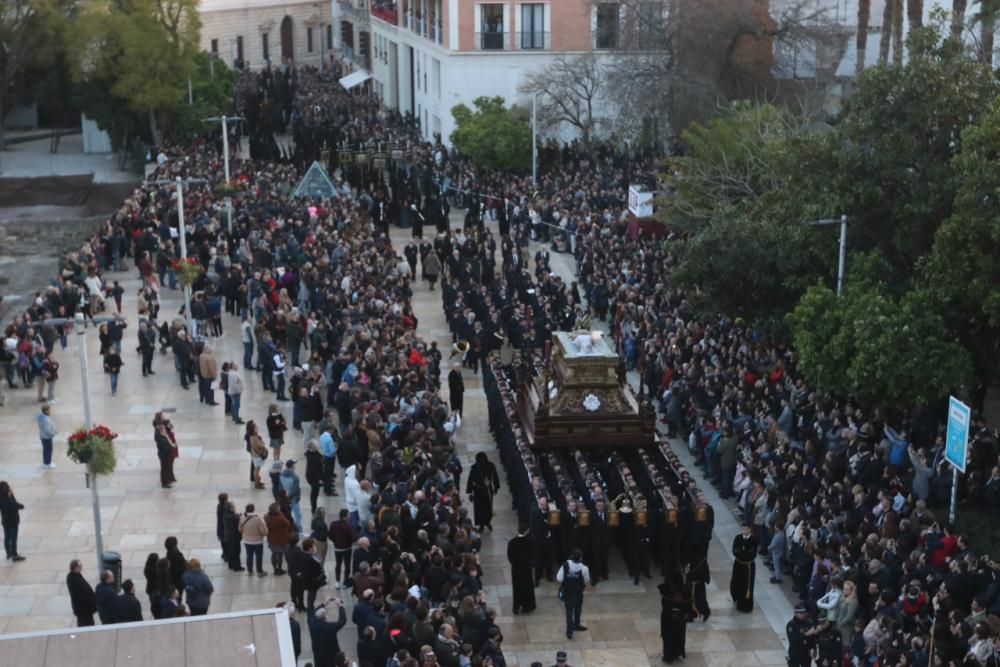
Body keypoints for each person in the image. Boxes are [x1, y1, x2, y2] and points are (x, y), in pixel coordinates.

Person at [556, 548, 591, 639]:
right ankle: (577, 624)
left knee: (569, 612)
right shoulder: (584, 569)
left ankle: (569, 631)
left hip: (568, 593)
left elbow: (559, 578)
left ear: (571, 557)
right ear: (581, 558)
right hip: (578, 593)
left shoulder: (565, 566)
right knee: (578, 609)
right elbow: (587, 580)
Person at [658, 572, 689, 664]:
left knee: (668, 637)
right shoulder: (685, 591)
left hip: (668, 618)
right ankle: (677, 653)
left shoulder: (666, 590)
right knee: (678, 636)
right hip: (680, 618)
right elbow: (688, 606)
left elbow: (664, 604)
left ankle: (668, 656)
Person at [309, 597, 347, 667]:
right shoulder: (330, 627)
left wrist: (324, 604)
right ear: (325, 617)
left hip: (318, 653)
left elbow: (313, 612)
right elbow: (342, 621)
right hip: (330, 654)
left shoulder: (312, 623)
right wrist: (340, 606)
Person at [506, 523, 536, 614]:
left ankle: (516, 606)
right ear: (526, 531)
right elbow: (533, 556)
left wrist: (515, 564)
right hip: (526, 569)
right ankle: (526, 606)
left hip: (516, 569)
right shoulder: (529, 542)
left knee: (516, 588)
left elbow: (510, 556)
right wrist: (531, 564)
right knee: (527, 588)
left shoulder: (512, 542)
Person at [466, 452, 499, 532]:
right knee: (482, 508)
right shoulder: (476, 467)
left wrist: (496, 486)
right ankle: (483, 523)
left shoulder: (490, 466)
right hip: (480, 491)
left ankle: (486, 522)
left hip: (485, 490)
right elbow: (471, 480)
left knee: (486, 507)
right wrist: (496, 487)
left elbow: (495, 477)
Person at [731, 522, 758, 613]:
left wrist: (742, 553)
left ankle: (746, 606)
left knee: (747, 585)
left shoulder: (753, 540)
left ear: (750, 529)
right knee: (737, 582)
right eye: (743, 529)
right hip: (738, 565)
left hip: (748, 566)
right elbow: (735, 550)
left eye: (746, 529)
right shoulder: (738, 538)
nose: (745, 531)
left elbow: (752, 554)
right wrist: (743, 553)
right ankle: (738, 601)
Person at [239, 503, 268, 577]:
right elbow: (263, 532)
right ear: (253, 510)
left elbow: (240, 529)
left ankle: (249, 571)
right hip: (257, 541)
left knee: (249, 555)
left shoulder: (242, 518)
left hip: (247, 541)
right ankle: (259, 571)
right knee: (258, 556)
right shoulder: (257, 519)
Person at [329, 508, 356, 589]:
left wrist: (335, 541)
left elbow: (330, 535)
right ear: (345, 516)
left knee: (338, 564)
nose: (350, 516)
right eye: (348, 514)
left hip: (337, 549)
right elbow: (354, 538)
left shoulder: (333, 524)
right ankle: (345, 581)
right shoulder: (348, 526)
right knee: (347, 565)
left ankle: (337, 581)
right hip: (347, 549)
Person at [67, 559, 97, 626]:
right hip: (84, 610)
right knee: (87, 625)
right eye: (80, 565)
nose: (82, 566)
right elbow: (86, 595)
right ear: (76, 568)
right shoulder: (76, 580)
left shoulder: (71, 577)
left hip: (81, 610)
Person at [0, 481, 25, 561]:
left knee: (7, 537)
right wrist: (12, 496)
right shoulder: (9, 501)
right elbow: (20, 506)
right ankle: (14, 554)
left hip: (5, 521)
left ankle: (8, 553)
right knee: (13, 538)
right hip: (13, 522)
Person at [266, 502, 292, 575]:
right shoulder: (279, 517)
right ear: (277, 509)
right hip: (280, 539)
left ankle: (275, 569)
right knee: (280, 555)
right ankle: (279, 569)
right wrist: (281, 514)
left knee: (274, 554)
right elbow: (288, 523)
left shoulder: (267, 517)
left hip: (271, 539)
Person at [281, 459, 303, 532]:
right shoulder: (295, 477)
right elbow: (295, 490)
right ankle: (299, 529)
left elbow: (280, 487)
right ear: (292, 466)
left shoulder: (281, 475)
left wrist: (284, 497)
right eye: (294, 464)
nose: (295, 465)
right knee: (297, 514)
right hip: (293, 499)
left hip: (283, 498)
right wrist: (289, 497)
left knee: (287, 513)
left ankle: (287, 528)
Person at [319, 426, 338, 497]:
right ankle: (328, 491)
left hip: (324, 455)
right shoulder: (329, 439)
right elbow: (332, 451)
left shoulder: (322, 436)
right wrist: (336, 447)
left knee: (326, 474)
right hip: (330, 458)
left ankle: (326, 488)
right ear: (330, 430)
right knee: (329, 475)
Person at [305, 440, 324, 513]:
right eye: (316, 446)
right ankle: (314, 508)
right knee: (314, 493)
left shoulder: (311, 454)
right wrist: (319, 479)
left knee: (315, 492)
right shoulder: (313, 458)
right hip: (313, 478)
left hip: (311, 476)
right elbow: (315, 470)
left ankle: (314, 507)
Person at [155, 422, 175, 488]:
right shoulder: (161, 438)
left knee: (167, 468)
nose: (165, 430)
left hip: (166, 455)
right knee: (164, 469)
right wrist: (172, 446)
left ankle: (167, 480)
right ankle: (164, 483)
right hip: (164, 456)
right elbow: (166, 447)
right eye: (164, 429)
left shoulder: (163, 436)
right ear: (161, 430)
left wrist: (166, 436)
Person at [37, 403, 57, 469]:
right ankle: (48, 463)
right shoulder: (46, 419)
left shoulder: (41, 418)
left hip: (42, 436)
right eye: (49, 410)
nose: (50, 411)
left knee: (45, 450)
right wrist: (53, 433)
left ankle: (45, 462)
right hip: (47, 437)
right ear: (46, 411)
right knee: (49, 450)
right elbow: (47, 430)